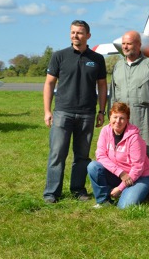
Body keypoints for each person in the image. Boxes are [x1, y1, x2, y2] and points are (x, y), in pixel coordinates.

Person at [43, 20, 107, 203]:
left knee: (82, 156)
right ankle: (51, 193)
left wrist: (101, 111)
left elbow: (102, 86)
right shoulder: (59, 56)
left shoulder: (97, 59)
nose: (75, 36)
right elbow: (49, 83)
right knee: (57, 154)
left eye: (79, 33)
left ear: (88, 35)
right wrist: (47, 111)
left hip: (87, 114)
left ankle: (78, 189)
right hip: (63, 113)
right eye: (72, 32)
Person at [110, 30, 149, 173]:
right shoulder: (118, 66)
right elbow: (114, 93)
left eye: (129, 43)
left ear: (139, 45)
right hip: (122, 117)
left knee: (145, 151)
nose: (125, 47)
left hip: (144, 115)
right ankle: (125, 184)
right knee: (122, 150)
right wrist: (112, 117)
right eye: (123, 44)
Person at [87, 102, 149, 209]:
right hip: (119, 174)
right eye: (115, 117)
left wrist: (120, 188)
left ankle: (135, 191)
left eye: (122, 118)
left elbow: (138, 168)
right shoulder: (105, 131)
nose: (118, 121)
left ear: (127, 120)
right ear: (110, 117)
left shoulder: (134, 138)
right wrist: (120, 173)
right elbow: (100, 155)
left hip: (138, 176)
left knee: (124, 207)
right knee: (93, 166)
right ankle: (103, 201)